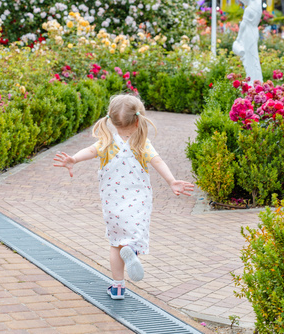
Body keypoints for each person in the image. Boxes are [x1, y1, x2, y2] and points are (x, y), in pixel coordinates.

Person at [53, 94, 194, 300]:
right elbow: (158, 162)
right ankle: (132, 251)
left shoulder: (107, 142)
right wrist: (172, 181)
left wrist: (73, 159)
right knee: (132, 238)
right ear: (139, 120)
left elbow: (89, 151)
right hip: (138, 203)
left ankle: (118, 287)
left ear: (110, 120)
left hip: (113, 204)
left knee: (115, 243)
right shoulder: (141, 144)